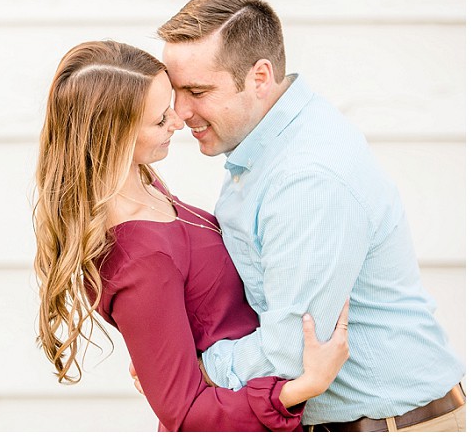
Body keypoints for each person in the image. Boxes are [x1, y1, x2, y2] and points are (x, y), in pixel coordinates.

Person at [139, 0, 465, 431]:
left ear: (259, 77)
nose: (179, 111)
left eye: (197, 91)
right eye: (176, 90)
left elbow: (290, 350)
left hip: (391, 425)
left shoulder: (307, 178)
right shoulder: (263, 141)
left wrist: (189, 366)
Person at [33, 40, 350, 431]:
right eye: (160, 119)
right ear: (114, 135)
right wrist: (302, 386)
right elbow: (183, 412)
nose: (177, 121)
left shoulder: (149, 188)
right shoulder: (140, 257)